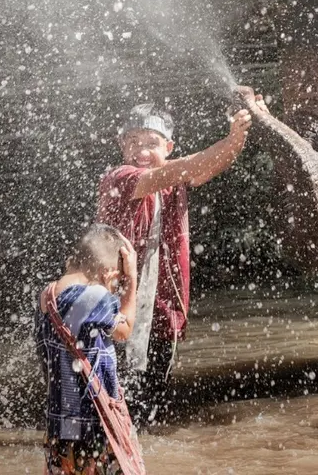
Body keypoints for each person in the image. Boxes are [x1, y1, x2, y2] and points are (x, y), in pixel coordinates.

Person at [96, 91, 263, 425]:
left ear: (168, 148)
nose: (141, 152)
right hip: (117, 315)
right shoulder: (120, 178)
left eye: (151, 143)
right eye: (133, 142)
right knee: (114, 409)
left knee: (152, 409)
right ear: (121, 146)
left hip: (163, 314)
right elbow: (189, 167)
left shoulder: (173, 176)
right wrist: (230, 136)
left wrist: (241, 132)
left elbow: (209, 165)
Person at [36, 223, 139, 474]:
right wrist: (133, 280)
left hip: (59, 429)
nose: (114, 291)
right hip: (93, 427)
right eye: (116, 283)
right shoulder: (94, 297)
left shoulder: (46, 295)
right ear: (108, 273)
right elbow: (125, 330)